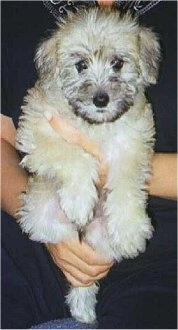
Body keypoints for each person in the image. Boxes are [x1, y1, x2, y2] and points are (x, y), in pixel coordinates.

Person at [1, 0, 177, 328]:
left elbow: (132, 149)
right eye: (82, 65)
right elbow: (7, 139)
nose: (100, 91)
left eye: (116, 63)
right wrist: (52, 228)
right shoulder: (14, 11)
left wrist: (116, 174)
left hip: (160, 251)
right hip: (36, 219)